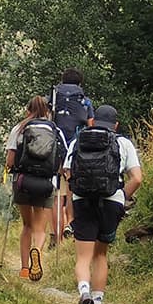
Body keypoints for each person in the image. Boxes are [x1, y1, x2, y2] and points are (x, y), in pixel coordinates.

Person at [63, 104, 142, 304]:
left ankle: (84, 292)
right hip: (111, 202)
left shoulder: (78, 141)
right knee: (101, 255)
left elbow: (68, 174)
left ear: (93, 122)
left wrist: (70, 208)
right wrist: (121, 197)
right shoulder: (123, 143)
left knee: (83, 258)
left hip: (82, 200)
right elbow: (137, 178)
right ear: (115, 125)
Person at [5, 95, 63, 282]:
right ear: (47, 112)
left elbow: (10, 160)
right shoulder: (55, 130)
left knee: (27, 226)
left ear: (27, 111)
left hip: (23, 181)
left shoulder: (19, 129)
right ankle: (36, 251)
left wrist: (8, 170)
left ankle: (23, 269)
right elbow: (61, 160)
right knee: (40, 228)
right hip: (46, 183)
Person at [49, 69, 93, 243]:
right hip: (76, 150)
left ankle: (56, 236)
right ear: (80, 84)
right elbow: (90, 126)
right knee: (72, 190)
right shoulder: (85, 101)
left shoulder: (53, 98)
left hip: (56, 149)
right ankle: (70, 224)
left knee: (57, 195)